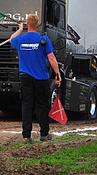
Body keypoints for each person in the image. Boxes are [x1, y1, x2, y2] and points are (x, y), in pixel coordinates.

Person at [10, 14, 61, 143]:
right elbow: (51, 57)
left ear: (27, 25)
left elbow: (11, 39)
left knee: (27, 105)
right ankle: (44, 134)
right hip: (41, 77)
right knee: (43, 105)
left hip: (25, 77)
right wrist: (57, 73)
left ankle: (26, 136)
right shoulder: (43, 39)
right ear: (38, 26)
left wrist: (20, 29)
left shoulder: (20, 39)